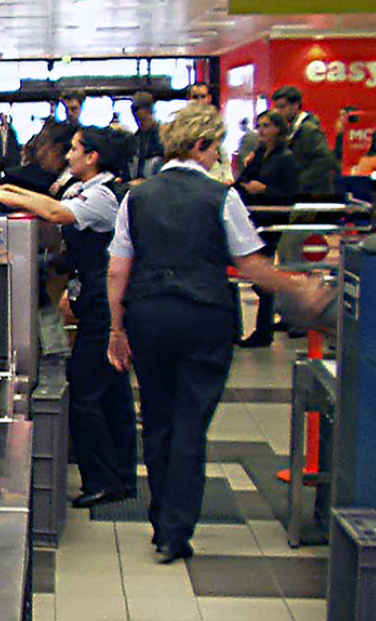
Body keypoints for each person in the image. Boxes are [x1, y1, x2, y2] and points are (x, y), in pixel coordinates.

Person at [105, 104, 327, 564]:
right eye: (214, 147)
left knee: (159, 417)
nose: (215, 157)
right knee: (191, 422)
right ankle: (174, 530)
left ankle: (160, 518)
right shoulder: (221, 197)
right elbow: (249, 264)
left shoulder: (136, 197)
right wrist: (297, 285)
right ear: (201, 145)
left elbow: (117, 270)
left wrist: (116, 329)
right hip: (204, 316)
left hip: (149, 314)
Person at [0, 127, 138, 510]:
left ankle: (103, 480)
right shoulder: (92, 187)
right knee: (111, 392)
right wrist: (6, 193)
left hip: (103, 303)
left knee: (86, 391)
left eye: (76, 150)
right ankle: (119, 474)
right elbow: (49, 199)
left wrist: (1, 195)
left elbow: (54, 211)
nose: (68, 156)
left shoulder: (102, 196)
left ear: (93, 157)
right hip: (97, 298)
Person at [235, 110, 300, 348]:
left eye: (266, 126)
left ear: (278, 130)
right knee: (256, 272)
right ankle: (262, 327)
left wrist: (265, 191)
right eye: (259, 125)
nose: (261, 131)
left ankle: (263, 328)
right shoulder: (261, 154)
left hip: (271, 219)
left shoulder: (285, 158)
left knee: (260, 272)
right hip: (254, 218)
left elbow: (290, 194)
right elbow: (242, 179)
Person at [271, 86, 338, 199]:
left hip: (314, 195)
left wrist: (298, 182)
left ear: (295, 105)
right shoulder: (293, 130)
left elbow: (325, 160)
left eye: (282, 107)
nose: (278, 112)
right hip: (306, 193)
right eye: (276, 108)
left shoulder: (308, 130)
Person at [3, 122, 76, 197]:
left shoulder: (71, 184)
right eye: (41, 143)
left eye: (44, 143)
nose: (41, 152)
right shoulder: (17, 177)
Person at [130, 92, 163, 181]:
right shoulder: (135, 138)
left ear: (151, 112)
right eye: (137, 120)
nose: (140, 124)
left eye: (143, 119)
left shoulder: (163, 138)